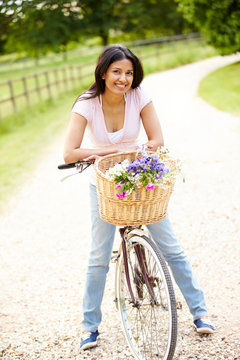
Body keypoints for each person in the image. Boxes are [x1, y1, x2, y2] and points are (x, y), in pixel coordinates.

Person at [63, 44, 214, 351]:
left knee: (171, 247)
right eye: (117, 71)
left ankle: (200, 312)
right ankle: (89, 326)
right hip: (105, 183)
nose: (123, 78)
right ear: (103, 72)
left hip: (141, 179)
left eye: (129, 72)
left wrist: (132, 155)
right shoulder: (87, 103)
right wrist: (111, 152)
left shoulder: (140, 96)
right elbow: (70, 152)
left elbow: (157, 140)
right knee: (98, 257)